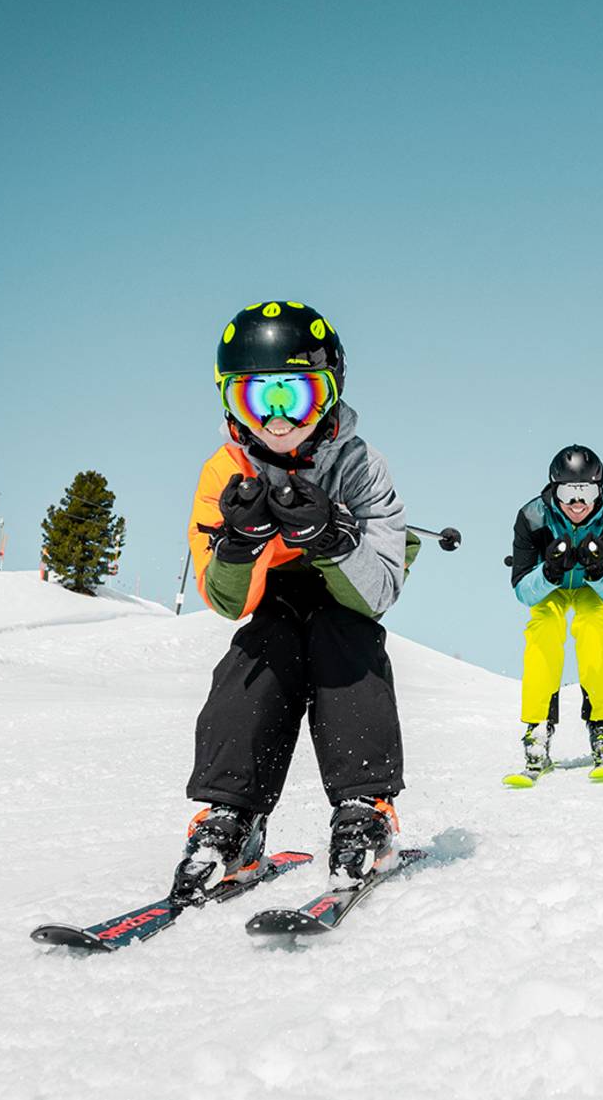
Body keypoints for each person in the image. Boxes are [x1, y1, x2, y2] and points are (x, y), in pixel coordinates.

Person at [175, 300, 418, 898]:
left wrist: (329, 538)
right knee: (258, 650)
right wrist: (238, 545)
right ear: (231, 402)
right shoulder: (224, 474)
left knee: (345, 643)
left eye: (297, 396)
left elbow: (379, 591)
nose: (279, 420)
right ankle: (231, 820)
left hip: (345, 598)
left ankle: (366, 809)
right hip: (274, 600)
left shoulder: (361, 467)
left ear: (330, 394)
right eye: (259, 399)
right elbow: (227, 603)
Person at [506, 445, 603, 783]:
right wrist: (548, 571)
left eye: (587, 492)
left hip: (591, 589)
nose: (577, 504)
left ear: (600, 489)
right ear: (553, 489)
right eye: (568, 492)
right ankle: (537, 731)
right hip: (552, 587)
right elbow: (522, 590)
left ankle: (602, 727)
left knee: (594, 626)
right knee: (544, 626)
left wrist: (600, 571)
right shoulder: (532, 517)